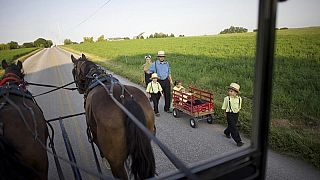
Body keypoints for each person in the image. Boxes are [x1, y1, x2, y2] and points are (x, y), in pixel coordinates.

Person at [221, 83, 244, 147]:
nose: (229, 92)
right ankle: (238, 141)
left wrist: (238, 111)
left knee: (232, 126)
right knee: (234, 127)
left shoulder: (239, 99)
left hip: (236, 114)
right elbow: (224, 107)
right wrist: (225, 113)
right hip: (229, 114)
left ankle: (227, 132)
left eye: (231, 91)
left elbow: (239, 106)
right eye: (229, 91)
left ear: (236, 92)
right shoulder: (227, 98)